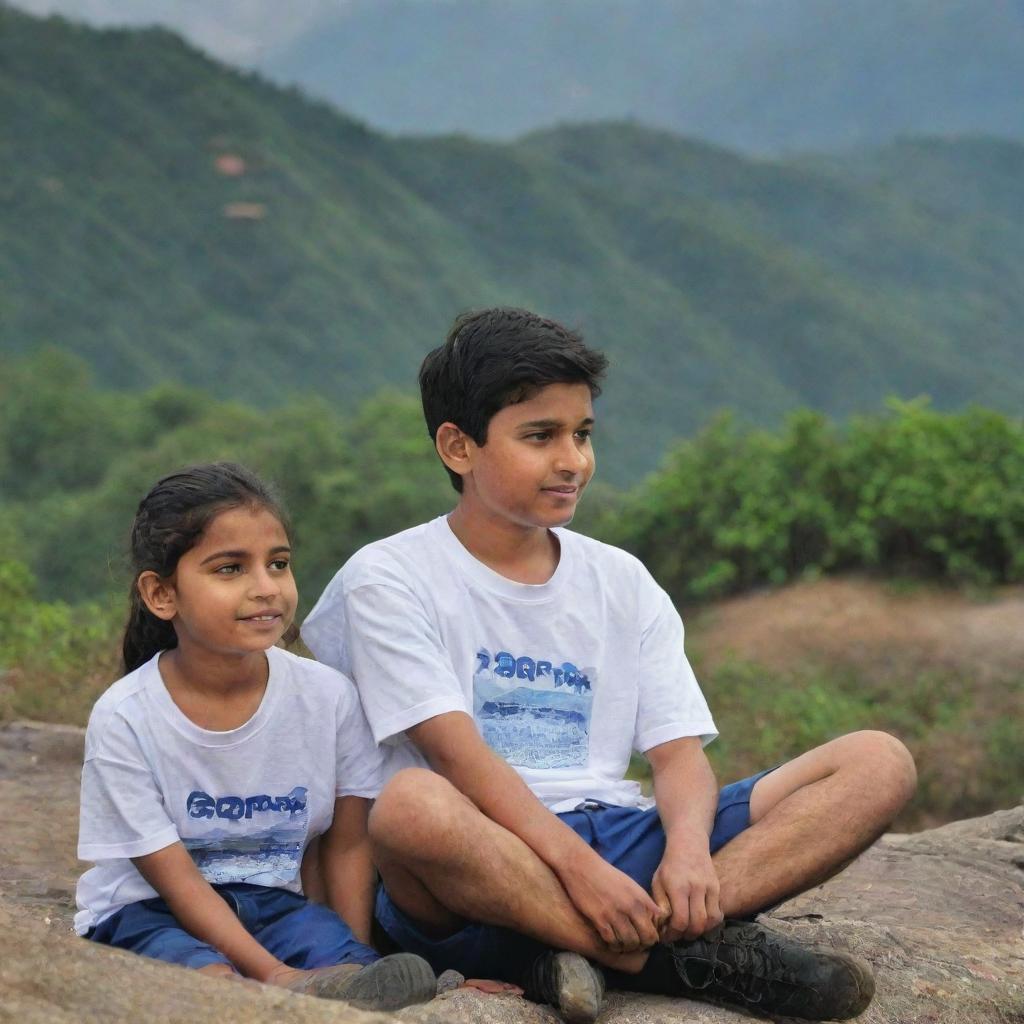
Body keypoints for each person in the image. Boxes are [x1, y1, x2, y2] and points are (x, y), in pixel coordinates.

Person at [303, 309, 918, 1022]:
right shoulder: (390, 578)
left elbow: (678, 755)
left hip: (623, 840)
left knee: (879, 760)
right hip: (483, 862)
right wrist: (578, 870)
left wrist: (688, 855)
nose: (573, 460)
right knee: (411, 806)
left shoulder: (620, 579)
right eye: (540, 436)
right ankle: (677, 959)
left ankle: (615, 941)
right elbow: (456, 756)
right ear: (457, 446)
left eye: (583, 434)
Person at [74, 462, 436, 1012]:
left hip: (276, 908)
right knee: (210, 979)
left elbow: (347, 843)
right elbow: (177, 881)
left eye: (279, 564)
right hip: (150, 909)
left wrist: (353, 959)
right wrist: (276, 975)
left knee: (345, 962)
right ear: (162, 594)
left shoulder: (329, 698)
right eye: (230, 569)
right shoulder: (127, 718)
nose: (266, 588)